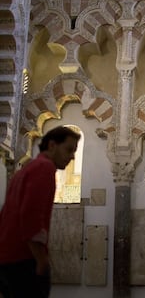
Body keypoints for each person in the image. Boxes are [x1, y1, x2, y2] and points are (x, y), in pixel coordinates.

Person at [0, 126, 80, 298]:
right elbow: (31, 216)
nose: (72, 156)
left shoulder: (24, 171)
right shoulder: (44, 167)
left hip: (7, 260)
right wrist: (41, 259)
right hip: (24, 259)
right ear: (52, 145)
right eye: (69, 149)